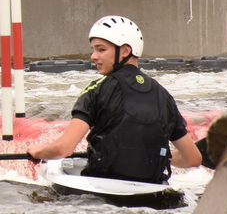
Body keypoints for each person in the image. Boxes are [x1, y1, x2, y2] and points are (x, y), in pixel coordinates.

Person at [27, 15, 202, 183]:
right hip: (151, 192)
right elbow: (193, 158)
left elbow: (62, 149)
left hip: (102, 193)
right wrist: (158, 158)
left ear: (125, 50)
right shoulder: (163, 96)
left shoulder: (96, 89)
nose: (93, 56)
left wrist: (39, 151)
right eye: (94, 49)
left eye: (101, 49)